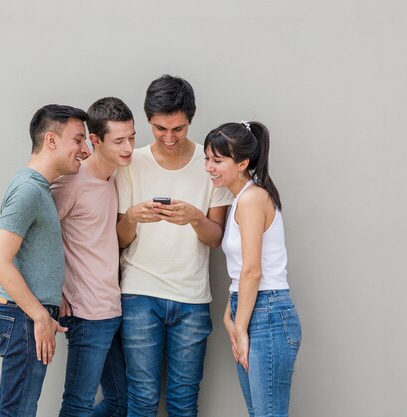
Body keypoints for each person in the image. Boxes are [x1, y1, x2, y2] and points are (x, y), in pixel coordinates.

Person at [115, 75, 233, 417]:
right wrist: (133, 217)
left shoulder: (210, 163)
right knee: (142, 397)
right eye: (159, 129)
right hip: (139, 293)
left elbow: (216, 239)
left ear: (190, 120)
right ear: (148, 121)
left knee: (183, 401)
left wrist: (196, 218)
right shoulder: (131, 162)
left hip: (192, 298)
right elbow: (120, 240)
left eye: (178, 129)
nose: (169, 138)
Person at [0, 104, 90, 417]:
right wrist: (40, 317)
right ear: (51, 140)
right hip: (25, 317)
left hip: (29, 315)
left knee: (17, 409)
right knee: (15, 411)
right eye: (78, 140)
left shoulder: (38, 188)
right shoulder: (28, 190)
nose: (85, 150)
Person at [203, 121, 302, 417]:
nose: (209, 167)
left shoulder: (252, 198)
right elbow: (241, 271)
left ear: (243, 163)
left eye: (218, 160)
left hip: (267, 313)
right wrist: (229, 314)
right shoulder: (240, 200)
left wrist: (241, 326)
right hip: (250, 309)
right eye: (207, 158)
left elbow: (252, 270)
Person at [51, 97, 135, 417]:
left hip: (113, 308)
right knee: (78, 405)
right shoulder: (70, 183)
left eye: (131, 137)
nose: (128, 147)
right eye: (119, 141)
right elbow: (38, 236)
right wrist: (54, 291)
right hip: (86, 313)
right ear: (95, 140)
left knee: (119, 403)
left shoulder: (115, 177)